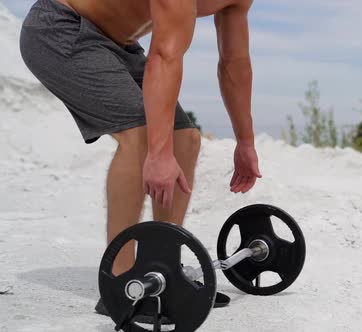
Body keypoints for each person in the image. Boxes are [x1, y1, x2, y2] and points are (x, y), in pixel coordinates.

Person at [19, 0, 262, 321]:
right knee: (141, 136)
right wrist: (158, 154)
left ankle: (161, 270)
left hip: (121, 47)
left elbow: (234, 63)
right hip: (63, 29)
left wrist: (245, 141)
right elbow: (164, 56)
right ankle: (120, 285)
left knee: (185, 140)